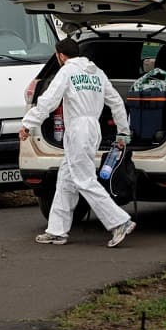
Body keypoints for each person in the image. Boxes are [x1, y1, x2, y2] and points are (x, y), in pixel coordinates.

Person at [19, 37, 136, 248]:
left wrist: (28, 123)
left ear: (60, 55)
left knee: (84, 180)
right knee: (66, 180)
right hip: (93, 128)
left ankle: (120, 222)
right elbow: (116, 102)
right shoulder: (97, 73)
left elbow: (49, 100)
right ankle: (57, 230)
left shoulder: (67, 71)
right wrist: (122, 132)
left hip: (78, 129)